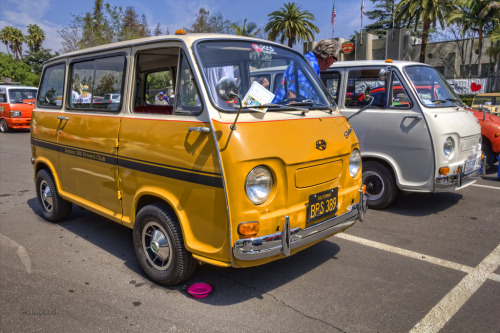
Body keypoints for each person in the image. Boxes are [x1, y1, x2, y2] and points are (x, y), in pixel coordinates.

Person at [272, 39, 341, 103]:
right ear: (329, 57)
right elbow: (292, 96)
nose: (333, 62)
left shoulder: (306, 59)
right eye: (335, 59)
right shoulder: (310, 67)